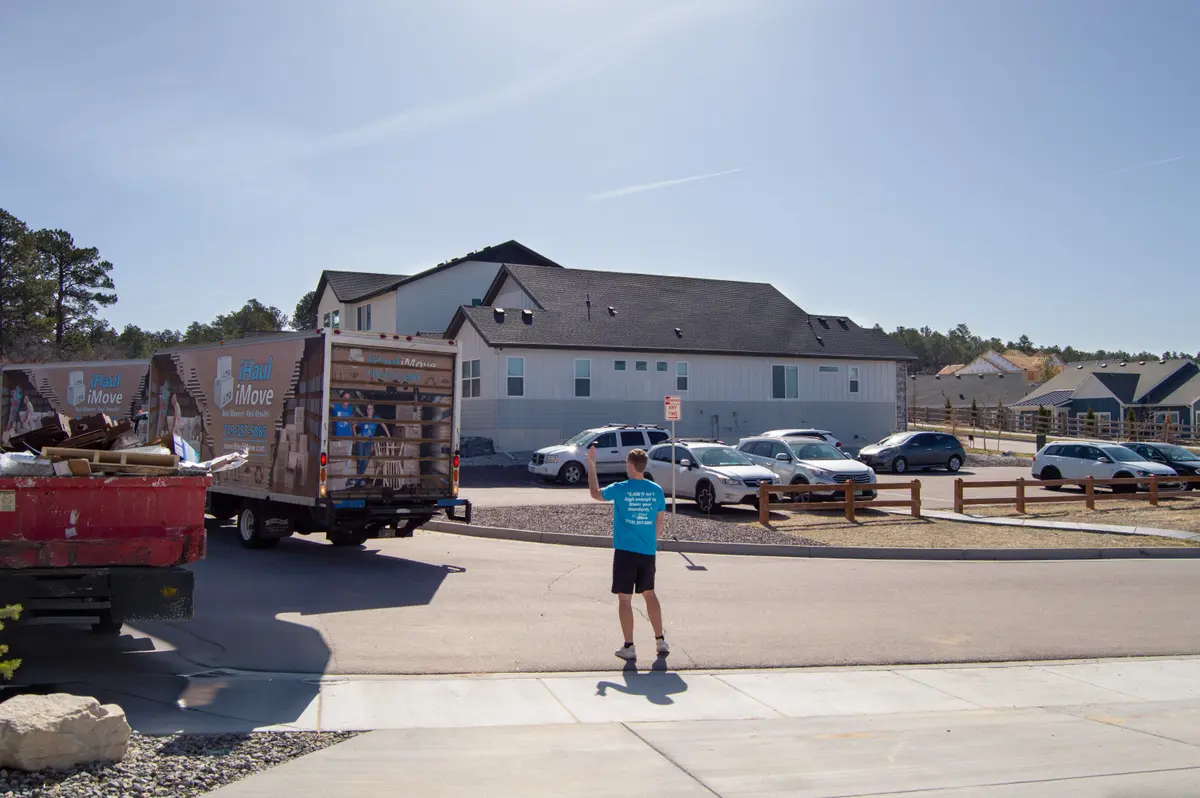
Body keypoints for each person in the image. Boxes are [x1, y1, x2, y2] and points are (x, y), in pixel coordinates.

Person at [587, 445, 669, 661]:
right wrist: (651, 542)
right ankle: (660, 640)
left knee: (625, 599)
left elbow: (595, 493)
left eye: (626, 462)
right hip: (647, 551)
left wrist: (592, 464)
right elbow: (659, 525)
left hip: (625, 551)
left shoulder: (621, 488)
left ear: (631, 465)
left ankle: (629, 645)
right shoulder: (656, 490)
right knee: (649, 593)